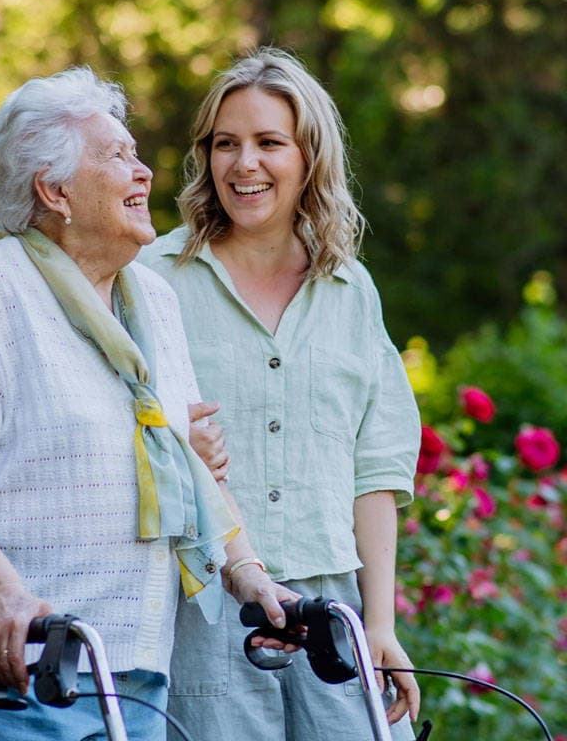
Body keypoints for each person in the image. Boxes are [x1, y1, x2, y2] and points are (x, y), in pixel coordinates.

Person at [0, 66, 295, 741]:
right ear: (55, 191)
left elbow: (183, 463)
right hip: (16, 665)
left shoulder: (153, 301)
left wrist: (249, 573)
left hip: (131, 662)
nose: (144, 173)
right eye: (118, 157)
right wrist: (1, 591)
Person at [138, 48, 422, 741]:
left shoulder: (351, 291)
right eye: (226, 144)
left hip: (332, 611)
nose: (244, 164)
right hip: (202, 607)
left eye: (269, 143)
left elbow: (376, 470)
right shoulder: (151, 280)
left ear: (310, 157)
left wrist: (379, 625)